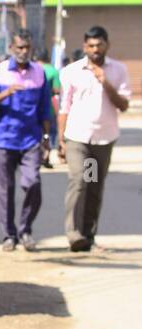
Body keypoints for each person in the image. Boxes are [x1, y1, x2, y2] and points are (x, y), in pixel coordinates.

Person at [59, 26, 131, 252]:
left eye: (99, 45)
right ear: (84, 47)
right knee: (79, 181)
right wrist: (61, 141)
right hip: (78, 138)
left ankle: (88, 235)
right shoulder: (72, 71)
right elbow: (64, 107)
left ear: (107, 45)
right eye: (90, 46)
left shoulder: (118, 70)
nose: (95, 49)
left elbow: (123, 105)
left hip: (102, 140)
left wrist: (105, 81)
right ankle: (73, 233)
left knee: (93, 187)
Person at [0, 29, 52, 251]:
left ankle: (26, 229)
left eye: (27, 47)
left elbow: (45, 110)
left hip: (31, 139)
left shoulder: (39, 73)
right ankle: (9, 235)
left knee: (33, 184)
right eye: (19, 47)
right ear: (11, 48)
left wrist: (47, 139)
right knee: (6, 189)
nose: (23, 51)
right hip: (4, 138)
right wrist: (6, 93)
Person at [39, 49, 62, 167]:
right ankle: (47, 155)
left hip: (33, 107)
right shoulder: (53, 71)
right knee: (49, 133)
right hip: (48, 106)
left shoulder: (32, 69)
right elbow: (57, 90)